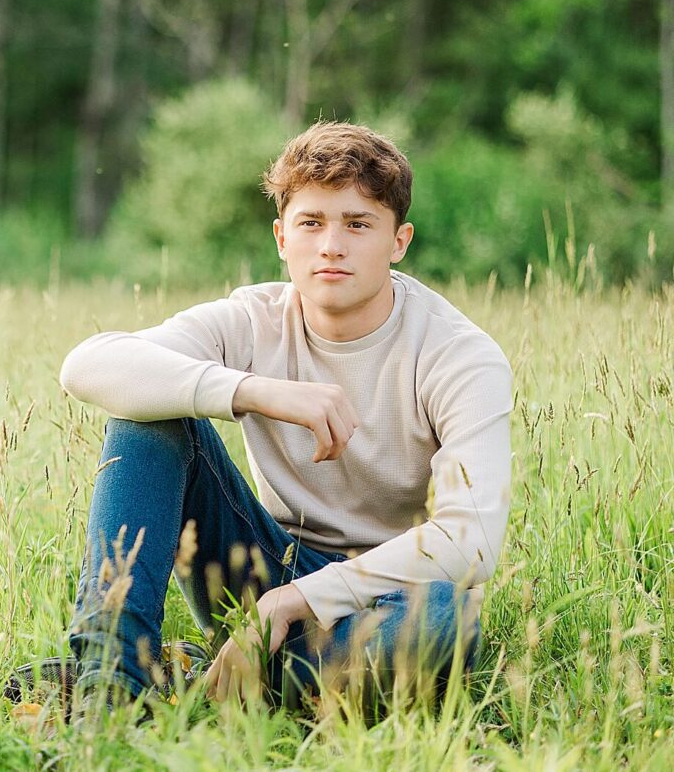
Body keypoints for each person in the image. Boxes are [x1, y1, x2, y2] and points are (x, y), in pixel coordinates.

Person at [52, 120, 513, 718]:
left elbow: (472, 540)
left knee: (448, 617)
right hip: (257, 563)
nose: (331, 246)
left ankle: (203, 685)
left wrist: (294, 602)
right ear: (280, 236)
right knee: (149, 415)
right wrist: (255, 392)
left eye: (358, 224)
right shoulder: (254, 318)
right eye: (312, 223)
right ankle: (109, 683)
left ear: (399, 241)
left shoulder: (459, 354)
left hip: (384, 590)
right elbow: (87, 365)